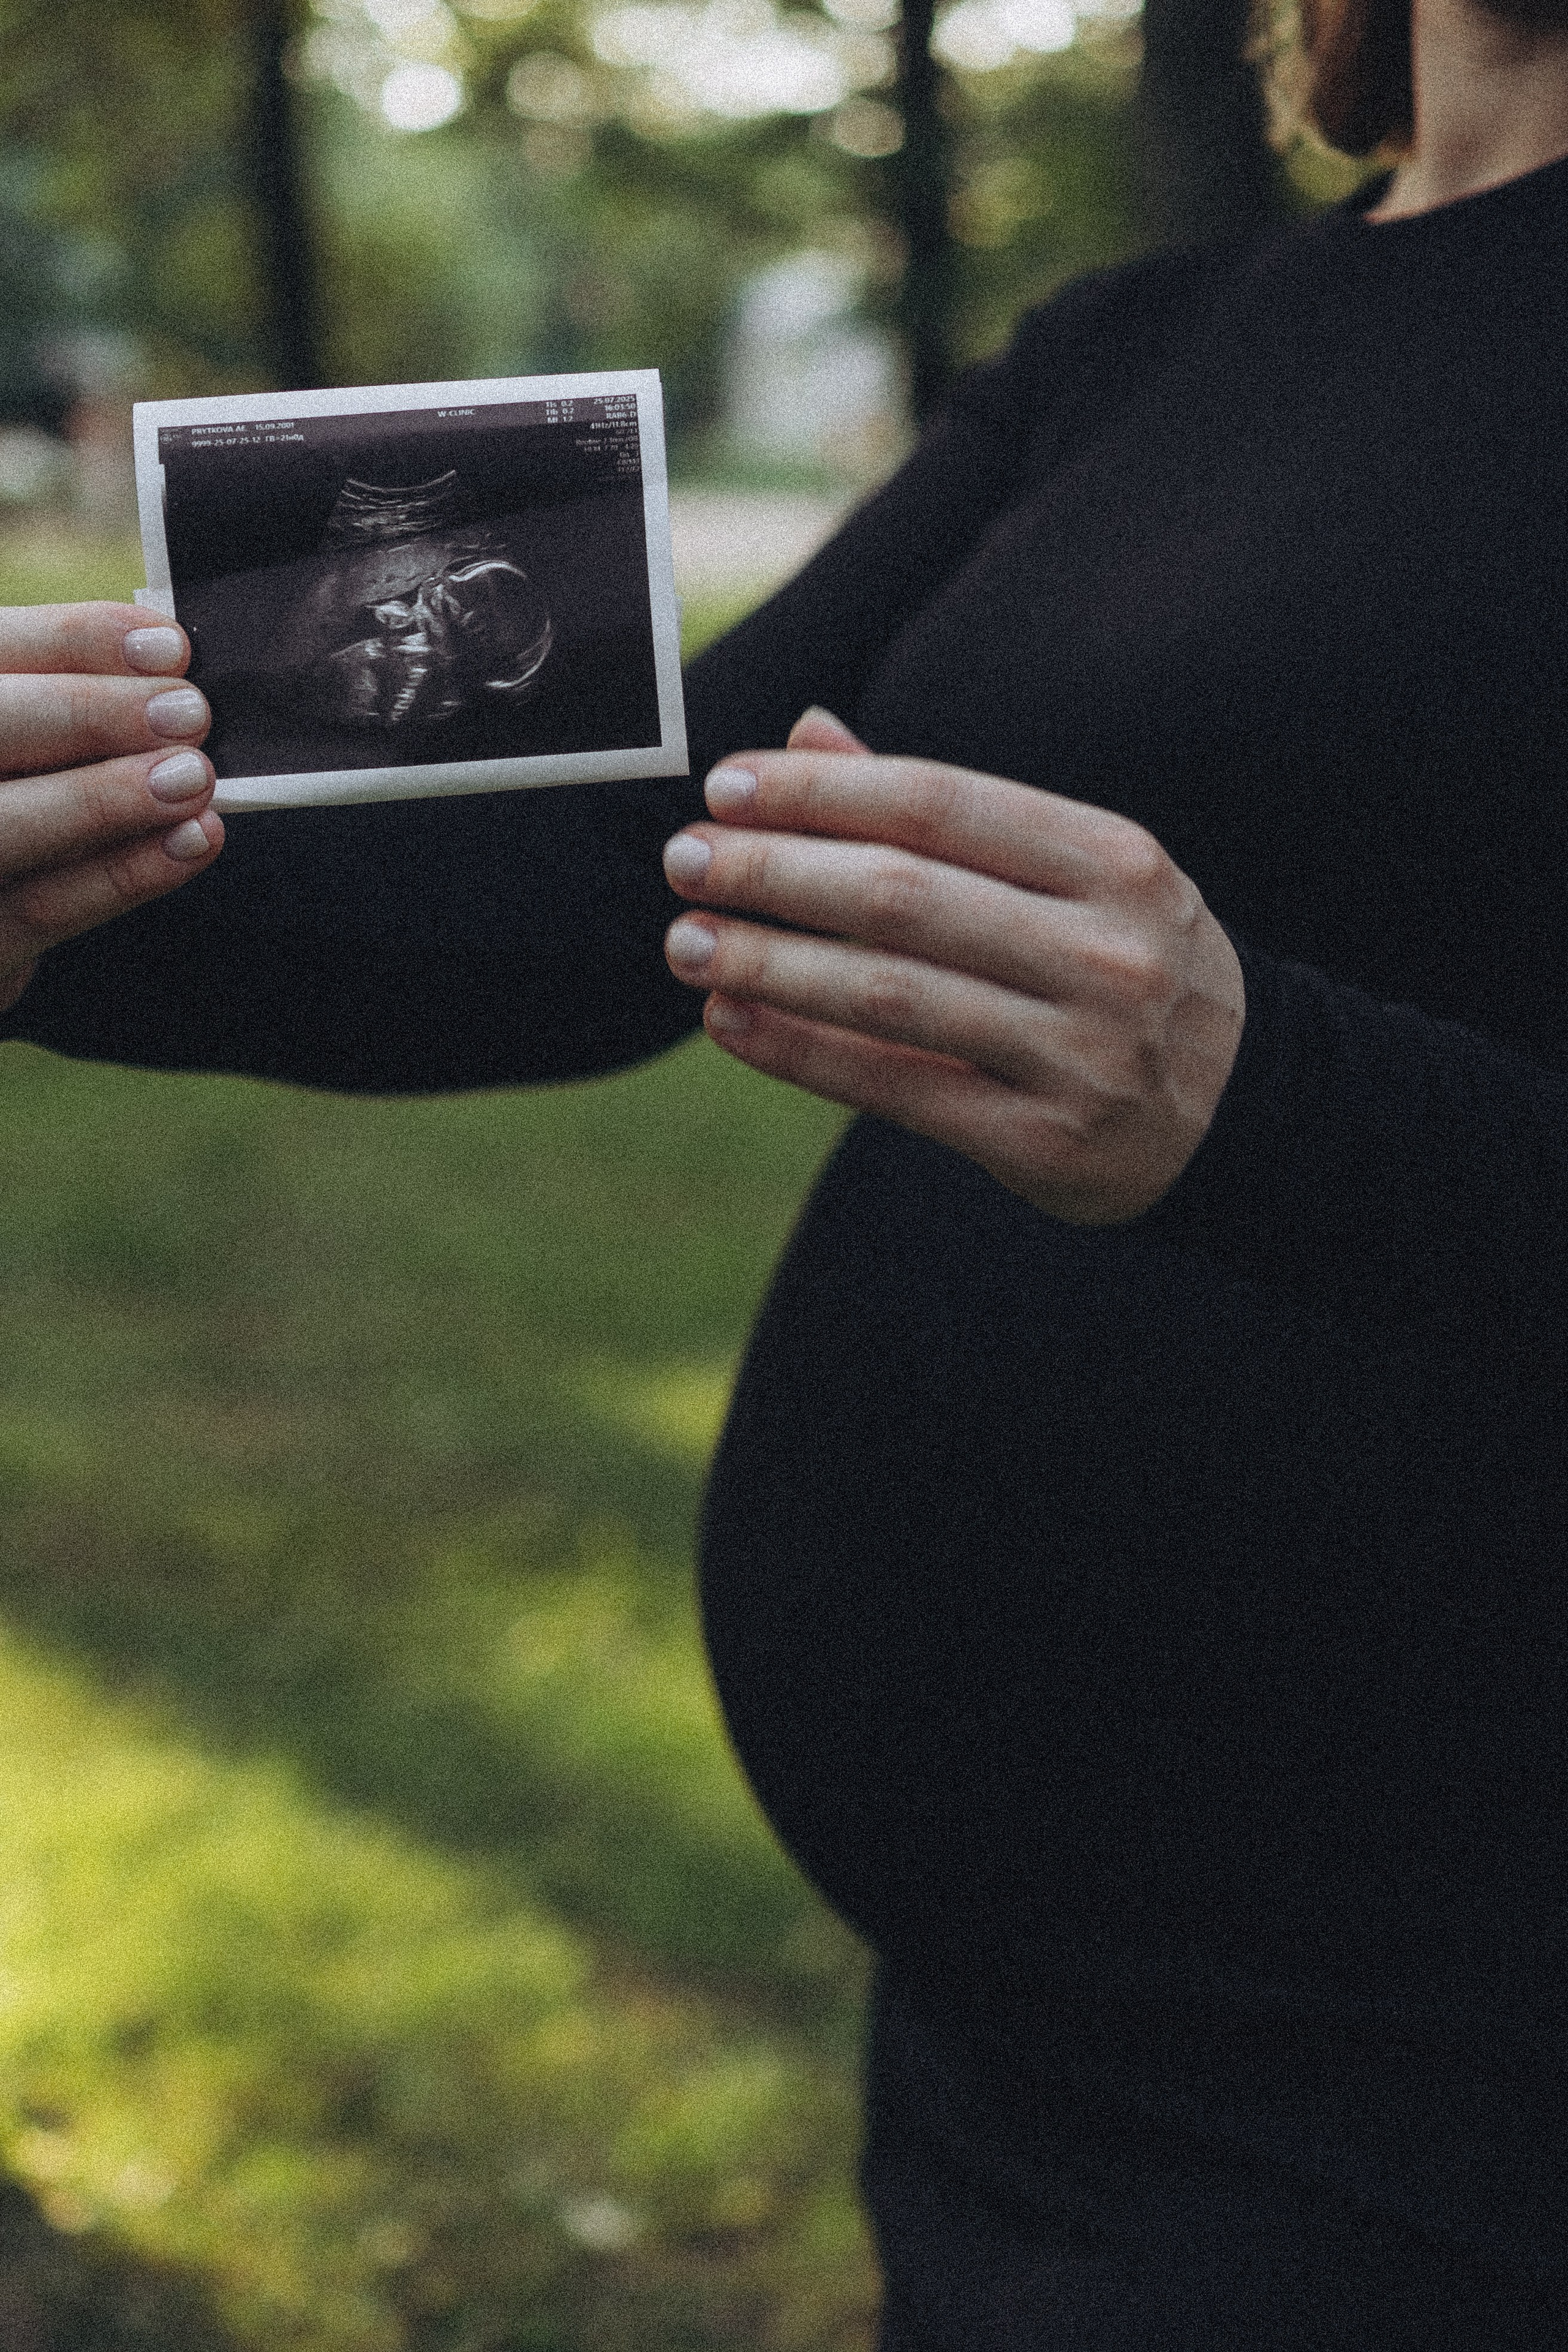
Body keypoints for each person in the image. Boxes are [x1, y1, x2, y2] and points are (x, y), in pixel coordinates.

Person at [4, 0, 1568, 2337]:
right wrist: (66, 891)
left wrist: (1273, 1100)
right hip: (1038, 2052)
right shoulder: (1146, 344)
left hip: (1448, 2062)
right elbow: (632, 866)